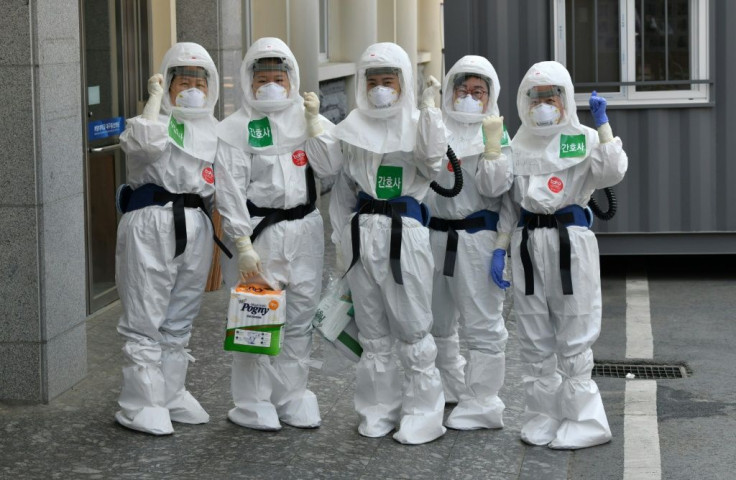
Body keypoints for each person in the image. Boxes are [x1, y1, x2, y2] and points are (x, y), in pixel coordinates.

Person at [492, 61, 627, 449]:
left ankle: (584, 420)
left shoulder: (582, 139)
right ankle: (544, 415)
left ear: (566, 98)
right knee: (534, 335)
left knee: (574, 329)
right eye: (537, 97)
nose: (544, 104)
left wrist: (602, 126)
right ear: (524, 101)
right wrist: (500, 249)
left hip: (570, 243)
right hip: (528, 243)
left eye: (552, 95)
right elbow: (508, 205)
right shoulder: (516, 146)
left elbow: (612, 171)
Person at [214, 37, 340, 431]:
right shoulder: (236, 130)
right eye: (262, 77)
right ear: (248, 81)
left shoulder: (307, 122)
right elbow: (229, 188)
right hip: (258, 233)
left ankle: (292, 395)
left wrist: (316, 122)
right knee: (255, 319)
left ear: (291, 80)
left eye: (278, 76)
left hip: (305, 228)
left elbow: (330, 167)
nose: (270, 84)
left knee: (300, 317)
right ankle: (252, 403)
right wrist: (241, 244)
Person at [326, 42, 448, 445]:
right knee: (373, 331)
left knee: (412, 328)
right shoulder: (353, 128)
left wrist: (431, 112)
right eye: (373, 81)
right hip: (363, 232)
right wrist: (341, 238)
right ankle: (377, 410)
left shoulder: (420, 123)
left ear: (404, 83)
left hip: (404, 235)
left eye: (388, 81)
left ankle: (423, 413)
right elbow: (343, 188)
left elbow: (434, 165)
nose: (380, 89)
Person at [115, 42, 224, 435]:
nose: (191, 88)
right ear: (169, 83)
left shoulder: (214, 130)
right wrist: (153, 101)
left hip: (195, 223)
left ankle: (171, 392)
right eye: (182, 81)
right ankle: (140, 402)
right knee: (146, 314)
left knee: (180, 316)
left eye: (199, 81)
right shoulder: (150, 121)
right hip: (152, 220)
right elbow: (143, 144)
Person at [423, 55, 512, 430]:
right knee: (435, 319)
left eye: (478, 91)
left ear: (490, 95)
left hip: (476, 239)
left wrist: (492, 150)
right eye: (462, 89)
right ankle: (449, 385)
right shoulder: (436, 129)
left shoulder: (497, 133)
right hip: (432, 236)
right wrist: (426, 115)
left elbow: (500, 191)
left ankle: (483, 402)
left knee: (482, 324)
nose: (469, 97)